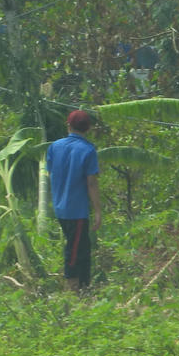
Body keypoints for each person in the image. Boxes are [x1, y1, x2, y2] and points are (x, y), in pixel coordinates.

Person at [47, 109, 101, 292]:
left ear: (68, 125)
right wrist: (98, 211)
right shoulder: (88, 150)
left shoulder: (54, 146)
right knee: (75, 250)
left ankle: (85, 286)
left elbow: (51, 173)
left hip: (60, 207)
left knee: (83, 248)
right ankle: (72, 287)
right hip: (76, 210)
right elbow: (91, 184)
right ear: (88, 129)